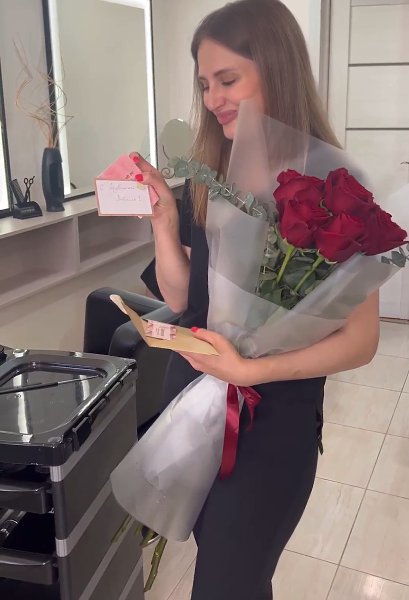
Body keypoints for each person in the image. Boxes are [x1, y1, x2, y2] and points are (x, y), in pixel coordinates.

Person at [135, 1, 379, 598]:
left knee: (227, 583)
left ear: (277, 70)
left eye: (227, 80)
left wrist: (250, 370)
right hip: (193, 406)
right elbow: (183, 296)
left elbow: (361, 341)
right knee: (235, 576)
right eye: (204, 84)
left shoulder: (335, 189)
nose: (212, 98)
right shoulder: (209, 174)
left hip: (270, 424)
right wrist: (165, 222)